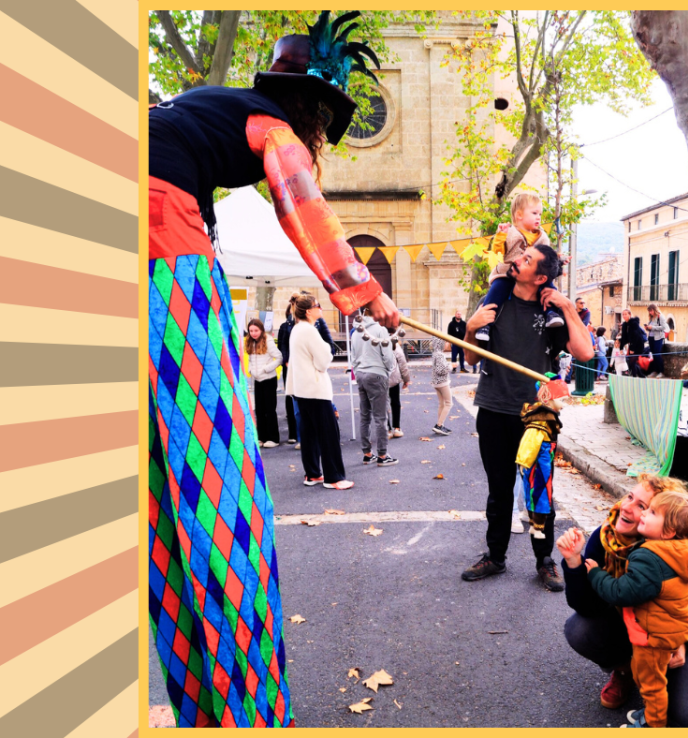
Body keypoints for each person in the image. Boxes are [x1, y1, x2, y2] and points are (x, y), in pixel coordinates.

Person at [147, 12, 397, 726]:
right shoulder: (271, 125)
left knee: (167, 492)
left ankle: (201, 705)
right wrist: (366, 294)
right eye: (323, 123)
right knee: (218, 489)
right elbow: (303, 208)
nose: (318, 138)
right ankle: (250, 713)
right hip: (163, 251)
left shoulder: (201, 108)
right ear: (310, 111)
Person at [461, 243, 594, 590]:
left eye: (527, 259)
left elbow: (585, 352)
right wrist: (471, 328)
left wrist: (568, 306)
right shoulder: (496, 300)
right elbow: (471, 358)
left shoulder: (552, 312)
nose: (517, 260)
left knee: (539, 492)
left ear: (540, 277)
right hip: (493, 408)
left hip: (537, 416)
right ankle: (495, 556)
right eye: (521, 256)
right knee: (499, 491)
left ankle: (544, 560)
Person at [557, 475, 688, 728]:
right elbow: (588, 608)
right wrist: (574, 563)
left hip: (685, 628)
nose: (626, 507)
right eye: (630, 497)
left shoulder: (684, 551)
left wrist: (684, 641)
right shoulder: (606, 539)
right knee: (579, 630)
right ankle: (627, 670)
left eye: (643, 507)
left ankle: (659, 687)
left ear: (669, 526)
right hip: (639, 627)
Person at [583, 490, 688, 728]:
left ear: (668, 531)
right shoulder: (682, 553)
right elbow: (683, 594)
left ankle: (653, 723)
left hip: (654, 638)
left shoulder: (650, 558)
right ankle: (651, 711)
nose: (643, 515)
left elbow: (621, 592)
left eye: (650, 512)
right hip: (672, 629)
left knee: (651, 684)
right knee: (646, 675)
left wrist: (596, 574)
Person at [474, 194, 564, 342]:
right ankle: (485, 325)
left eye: (540, 214)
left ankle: (551, 313)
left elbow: (546, 257)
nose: (538, 217)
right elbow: (498, 252)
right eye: (534, 213)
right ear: (519, 215)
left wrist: (559, 260)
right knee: (496, 291)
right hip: (507, 273)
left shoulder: (542, 237)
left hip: (532, 275)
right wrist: (500, 237)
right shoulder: (509, 233)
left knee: (549, 286)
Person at [286, 293, 353, 490]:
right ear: (309, 311)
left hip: (302, 388)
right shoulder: (309, 330)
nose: (321, 309)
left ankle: (313, 473)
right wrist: (325, 345)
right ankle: (333, 478)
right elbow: (324, 360)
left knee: (309, 434)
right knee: (328, 434)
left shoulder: (297, 328)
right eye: (318, 306)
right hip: (315, 389)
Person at [515, 375, 569, 539]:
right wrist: (524, 461)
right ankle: (537, 527)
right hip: (539, 462)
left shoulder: (545, 417)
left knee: (538, 492)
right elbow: (530, 442)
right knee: (540, 493)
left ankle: (535, 524)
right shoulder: (540, 420)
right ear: (550, 399)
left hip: (544, 461)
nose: (564, 404)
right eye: (561, 400)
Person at [351, 310, 399, 466]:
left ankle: (367, 453)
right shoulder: (380, 330)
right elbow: (388, 356)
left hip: (361, 373)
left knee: (365, 416)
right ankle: (382, 455)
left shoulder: (356, 332)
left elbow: (353, 357)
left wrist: (358, 371)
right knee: (380, 417)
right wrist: (387, 371)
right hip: (377, 373)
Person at [245, 318, 283, 448]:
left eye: (256, 330)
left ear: (261, 330)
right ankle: (262, 437)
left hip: (269, 379)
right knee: (259, 409)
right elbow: (250, 359)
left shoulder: (268, 341)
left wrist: (266, 369)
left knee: (269, 409)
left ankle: (273, 438)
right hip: (257, 379)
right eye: (251, 331)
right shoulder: (250, 342)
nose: (253, 333)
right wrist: (250, 369)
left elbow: (279, 358)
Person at [276, 299, 301, 447]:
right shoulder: (284, 327)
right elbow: (282, 345)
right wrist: (286, 360)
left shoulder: (305, 326)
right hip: (289, 365)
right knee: (290, 396)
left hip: (302, 365)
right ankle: (293, 433)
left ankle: (302, 432)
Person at [387, 341, 411, 439]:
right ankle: (397, 428)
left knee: (382, 404)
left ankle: (387, 429)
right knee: (395, 402)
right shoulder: (394, 344)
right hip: (393, 377)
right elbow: (402, 363)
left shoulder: (375, 341)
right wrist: (406, 379)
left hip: (380, 378)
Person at [430, 337, 454, 436]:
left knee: (442, 404)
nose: (447, 344)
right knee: (449, 403)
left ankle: (440, 425)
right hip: (442, 382)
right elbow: (440, 370)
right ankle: (439, 425)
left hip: (436, 382)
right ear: (441, 344)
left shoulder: (435, 354)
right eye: (445, 342)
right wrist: (451, 366)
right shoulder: (440, 355)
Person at [619, 309, 647, 379]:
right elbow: (624, 337)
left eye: (626, 314)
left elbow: (636, 336)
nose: (624, 316)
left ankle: (635, 377)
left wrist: (632, 349)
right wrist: (621, 348)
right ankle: (641, 376)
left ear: (629, 315)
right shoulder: (624, 324)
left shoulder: (634, 323)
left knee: (632, 361)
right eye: (623, 314)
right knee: (632, 362)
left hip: (638, 345)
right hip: (632, 345)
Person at [645, 304, 666, 378]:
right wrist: (647, 328)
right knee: (653, 355)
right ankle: (656, 371)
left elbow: (663, 327)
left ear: (654, 310)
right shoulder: (651, 318)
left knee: (657, 354)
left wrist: (652, 327)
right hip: (651, 338)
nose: (650, 312)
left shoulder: (660, 317)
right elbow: (651, 328)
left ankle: (661, 371)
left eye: (651, 311)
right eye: (649, 311)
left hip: (658, 338)